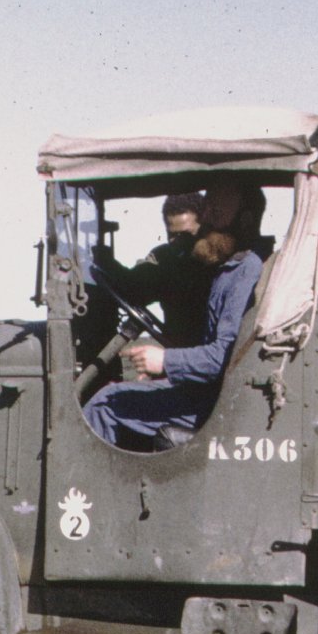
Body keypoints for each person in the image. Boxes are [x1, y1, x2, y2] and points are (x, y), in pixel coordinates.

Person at [83, 181, 267, 448]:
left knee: (104, 405)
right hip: (205, 389)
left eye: (216, 211)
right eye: (207, 208)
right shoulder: (226, 267)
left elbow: (225, 356)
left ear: (245, 219)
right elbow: (139, 284)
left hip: (213, 400)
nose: (206, 218)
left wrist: (165, 361)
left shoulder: (244, 270)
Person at [96, 191, 217, 346]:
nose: (176, 243)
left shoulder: (219, 264)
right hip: (178, 351)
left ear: (204, 228)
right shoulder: (165, 259)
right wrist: (107, 262)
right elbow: (134, 287)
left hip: (207, 352)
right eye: (171, 235)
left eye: (186, 235)